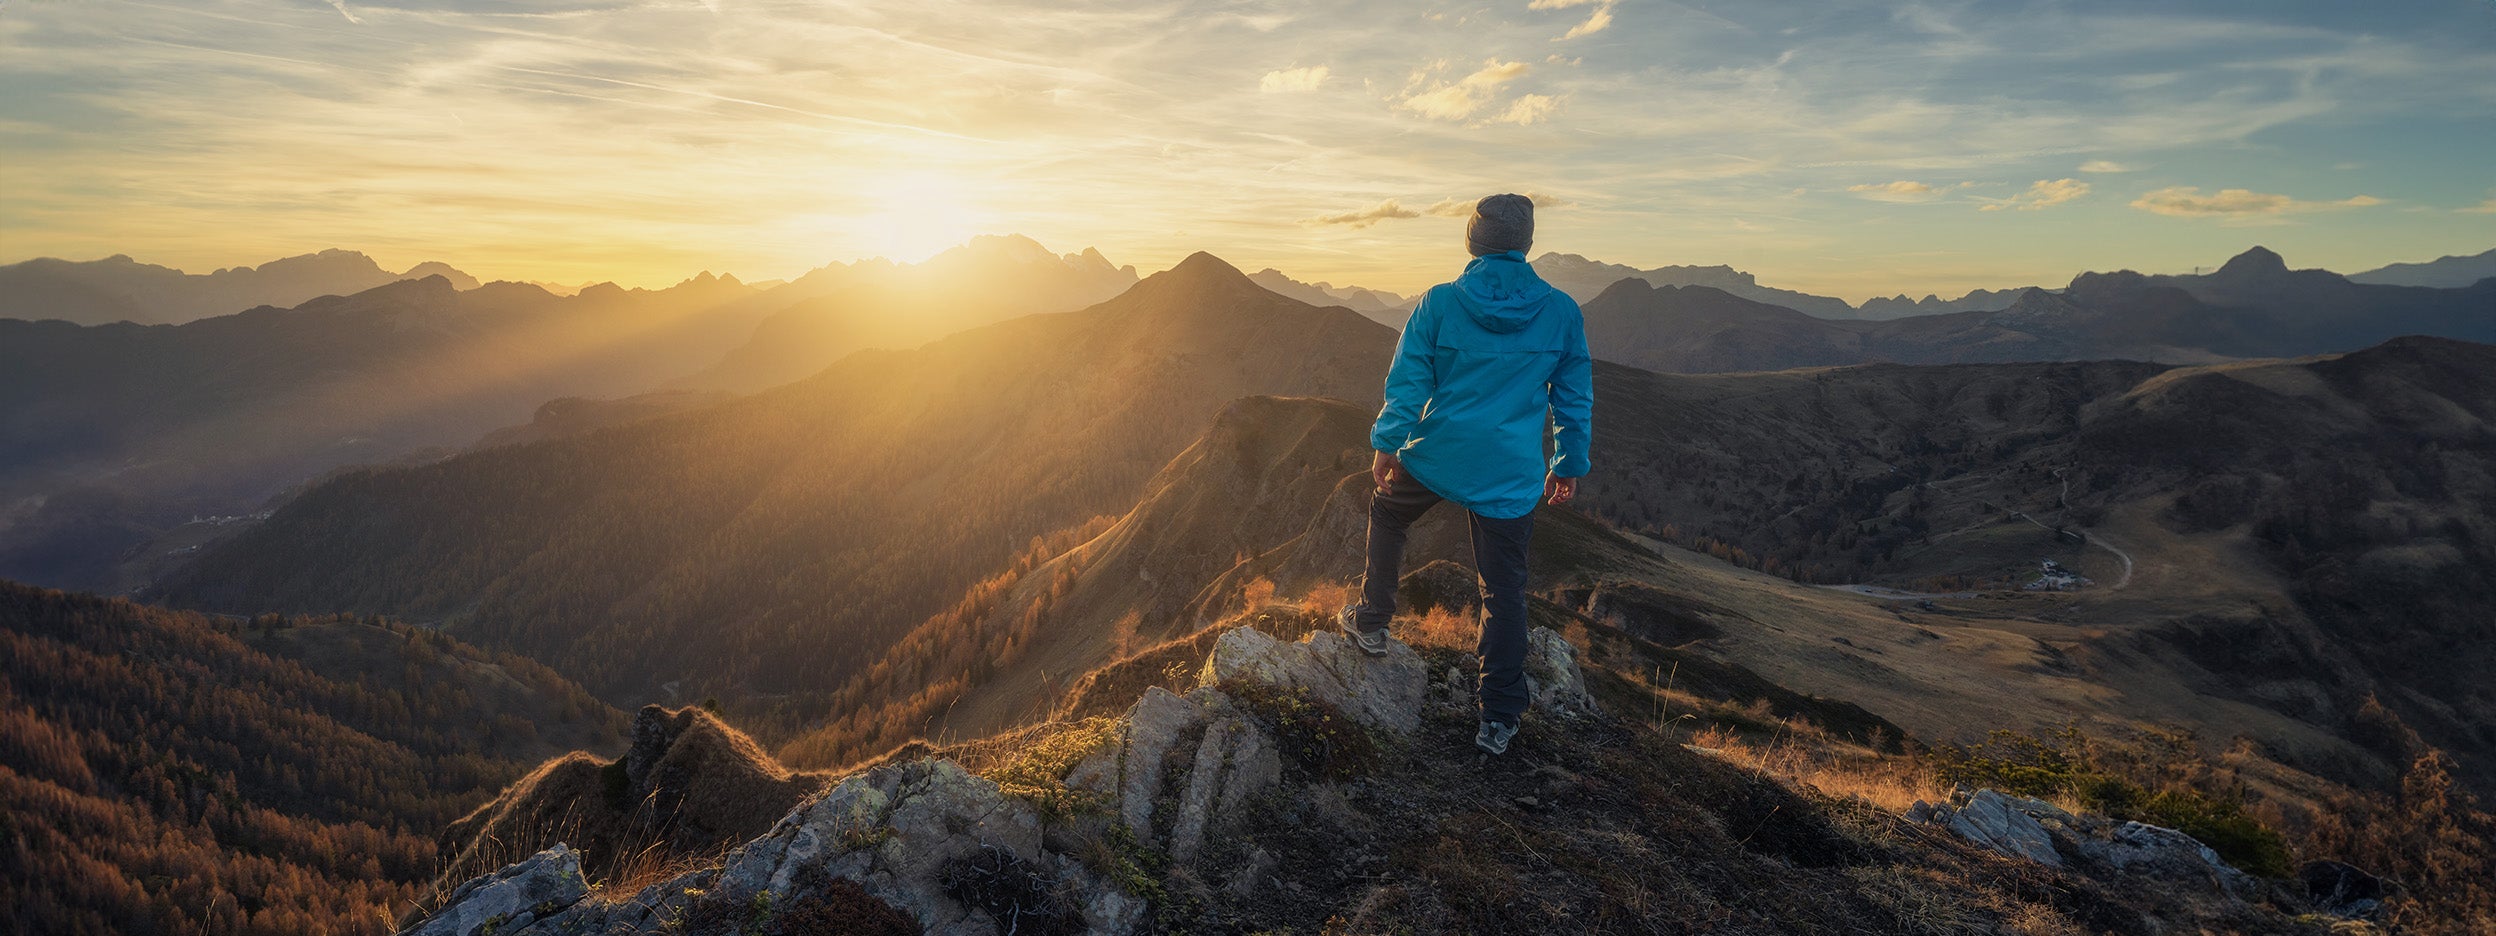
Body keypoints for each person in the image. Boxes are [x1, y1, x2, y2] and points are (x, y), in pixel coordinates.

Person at [1339, 192, 1593, 756]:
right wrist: (1568, 463)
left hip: (1439, 454)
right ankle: (1498, 717)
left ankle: (1372, 622)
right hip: (1510, 471)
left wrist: (1387, 443)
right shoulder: (1561, 312)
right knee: (1503, 590)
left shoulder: (1439, 303)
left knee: (1388, 512)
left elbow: (1409, 382)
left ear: (1473, 242)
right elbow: (1573, 399)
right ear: (1526, 243)